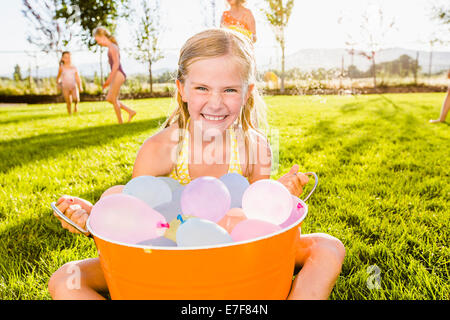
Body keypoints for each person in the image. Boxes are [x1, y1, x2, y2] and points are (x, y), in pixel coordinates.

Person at [48, 28, 345, 300]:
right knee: (66, 279)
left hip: (234, 261)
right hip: (169, 261)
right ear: (182, 89)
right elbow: (136, 225)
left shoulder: (255, 147)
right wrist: (94, 220)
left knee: (328, 247)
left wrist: (278, 194)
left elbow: (257, 228)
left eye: (229, 90)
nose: (215, 103)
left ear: (247, 93)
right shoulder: (160, 149)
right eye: (202, 88)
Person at [93, 27, 136, 124]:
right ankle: (130, 111)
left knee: (112, 98)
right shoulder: (111, 47)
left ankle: (120, 122)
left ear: (102, 36)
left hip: (118, 74)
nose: (98, 42)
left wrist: (108, 81)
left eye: (97, 39)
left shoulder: (112, 47)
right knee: (110, 98)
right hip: (118, 74)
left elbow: (116, 64)